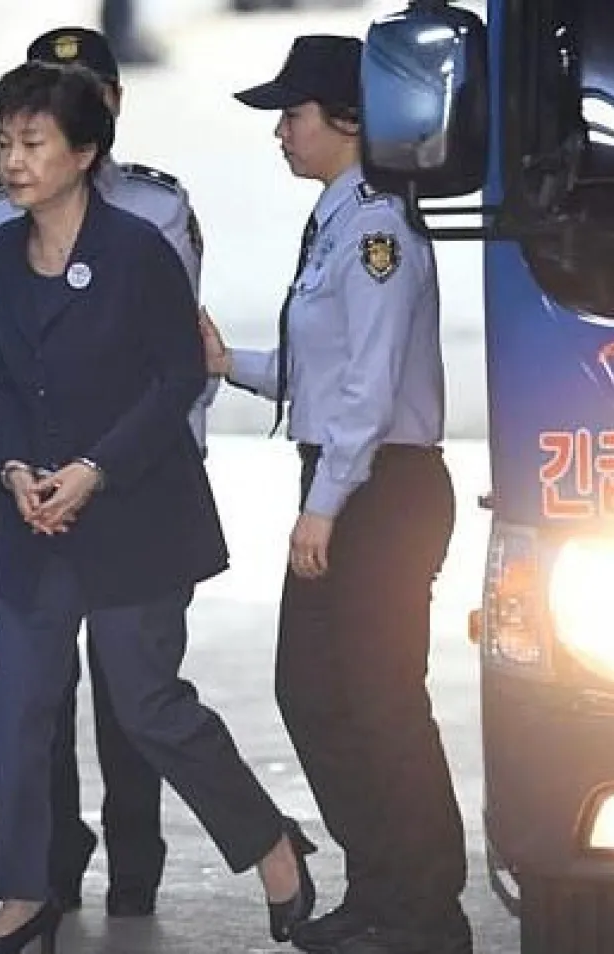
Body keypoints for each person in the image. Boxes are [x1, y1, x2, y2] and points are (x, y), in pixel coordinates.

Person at [0, 60, 314, 954]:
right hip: (35, 520)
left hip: (135, 516)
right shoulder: (1, 250)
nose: (15, 159)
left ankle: (269, 840)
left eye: (32, 143)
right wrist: (12, 476)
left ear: (84, 152)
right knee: (18, 700)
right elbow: (10, 384)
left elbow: (179, 377)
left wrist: (92, 471)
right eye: (4, 141)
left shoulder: (138, 249)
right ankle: (23, 894)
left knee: (148, 706)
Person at [0, 26, 214, 917]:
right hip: (20, 465)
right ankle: (46, 869)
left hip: (130, 472)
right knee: (32, 681)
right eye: (14, 126)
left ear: (105, 114)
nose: (19, 151)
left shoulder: (157, 212)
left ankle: (137, 858)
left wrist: (158, 463)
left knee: (134, 684)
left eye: (63, 101)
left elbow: (177, 360)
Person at [198, 34, 473, 954]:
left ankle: (426, 911)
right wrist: (228, 362)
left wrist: (326, 505)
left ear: (346, 121)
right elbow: (322, 372)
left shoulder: (381, 230)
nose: (281, 132)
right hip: (347, 475)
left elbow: (369, 387)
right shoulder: (337, 222)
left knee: (381, 696)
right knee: (313, 690)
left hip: (381, 488)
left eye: (293, 115)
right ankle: (380, 885)